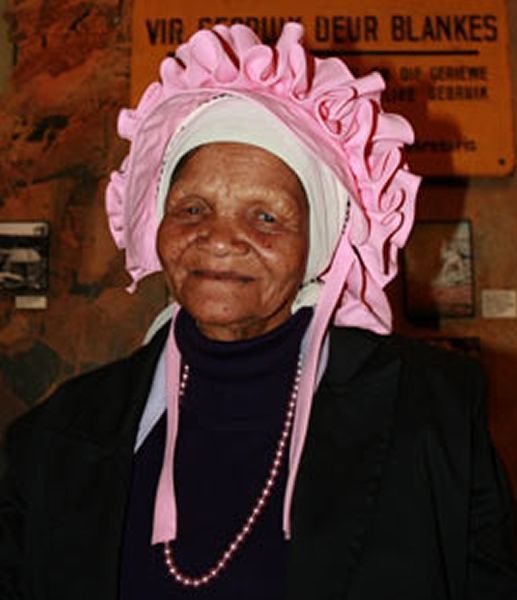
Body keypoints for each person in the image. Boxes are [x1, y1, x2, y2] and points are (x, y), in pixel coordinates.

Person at [1, 22, 516, 600]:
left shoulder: (433, 415)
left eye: (265, 217)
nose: (219, 239)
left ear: (319, 243)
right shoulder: (56, 437)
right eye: (192, 209)